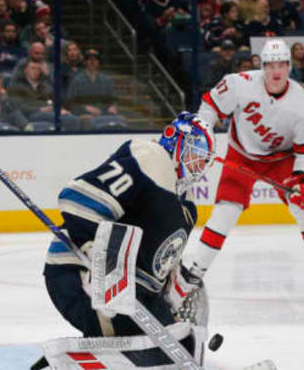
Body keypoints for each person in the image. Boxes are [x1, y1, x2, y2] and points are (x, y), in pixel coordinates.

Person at [42, 112, 215, 366]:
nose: (198, 165)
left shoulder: (187, 206)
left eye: (204, 160)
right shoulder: (150, 159)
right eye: (194, 154)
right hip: (80, 275)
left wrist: (176, 301)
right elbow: (76, 197)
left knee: (174, 347)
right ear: (173, 139)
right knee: (144, 347)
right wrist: (101, 257)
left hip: (136, 295)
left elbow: (162, 267)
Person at [191, 39, 304, 292]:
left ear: (289, 67)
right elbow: (210, 106)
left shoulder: (303, 102)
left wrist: (302, 178)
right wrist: (201, 135)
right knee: (224, 213)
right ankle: (197, 270)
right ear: (261, 66)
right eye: (271, 65)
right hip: (241, 155)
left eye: (282, 65)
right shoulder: (239, 84)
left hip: (281, 160)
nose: (276, 71)